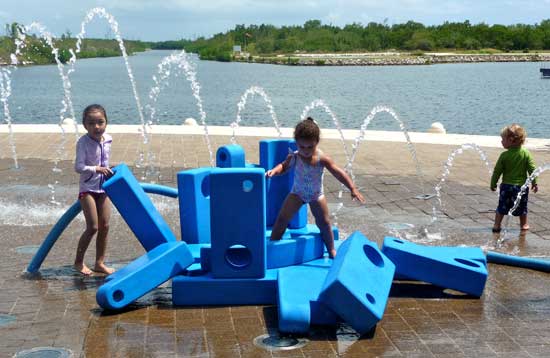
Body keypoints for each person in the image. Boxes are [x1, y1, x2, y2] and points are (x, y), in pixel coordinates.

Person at [266, 117, 365, 258]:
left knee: (324, 223)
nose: (305, 151)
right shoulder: (295, 156)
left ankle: (331, 249)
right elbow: (283, 166)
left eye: (310, 147)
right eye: (302, 147)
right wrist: (274, 171)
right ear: (297, 144)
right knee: (282, 219)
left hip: (316, 195)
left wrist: (352, 188)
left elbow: (338, 173)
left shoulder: (322, 158)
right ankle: (273, 244)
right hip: (297, 193)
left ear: (316, 143)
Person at [74, 104, 115, 275]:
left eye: (100, 122)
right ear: (84, 125)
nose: (96, 127)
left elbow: (103, 163)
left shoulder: (108, 140)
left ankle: (99, 263)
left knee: (105, 226)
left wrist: (109, 168)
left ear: (106, 122)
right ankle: (78, 262)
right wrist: (96, 169)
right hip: (88, 189)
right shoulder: (83, 142)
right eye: (91, 123)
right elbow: (79, 166)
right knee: (93, 227)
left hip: (103, 188)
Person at [490, 123, 538, 233]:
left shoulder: (504, 155)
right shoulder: (526, 154)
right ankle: (524, 224)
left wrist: (493, 183)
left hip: (506, 186)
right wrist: (535, 183)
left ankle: (497, 225)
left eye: (503, 139)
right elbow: (532, 169)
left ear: (511, 140)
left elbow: (497, 171)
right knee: (522, 207)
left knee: (502, 206)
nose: (501, 141)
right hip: (521, 187)